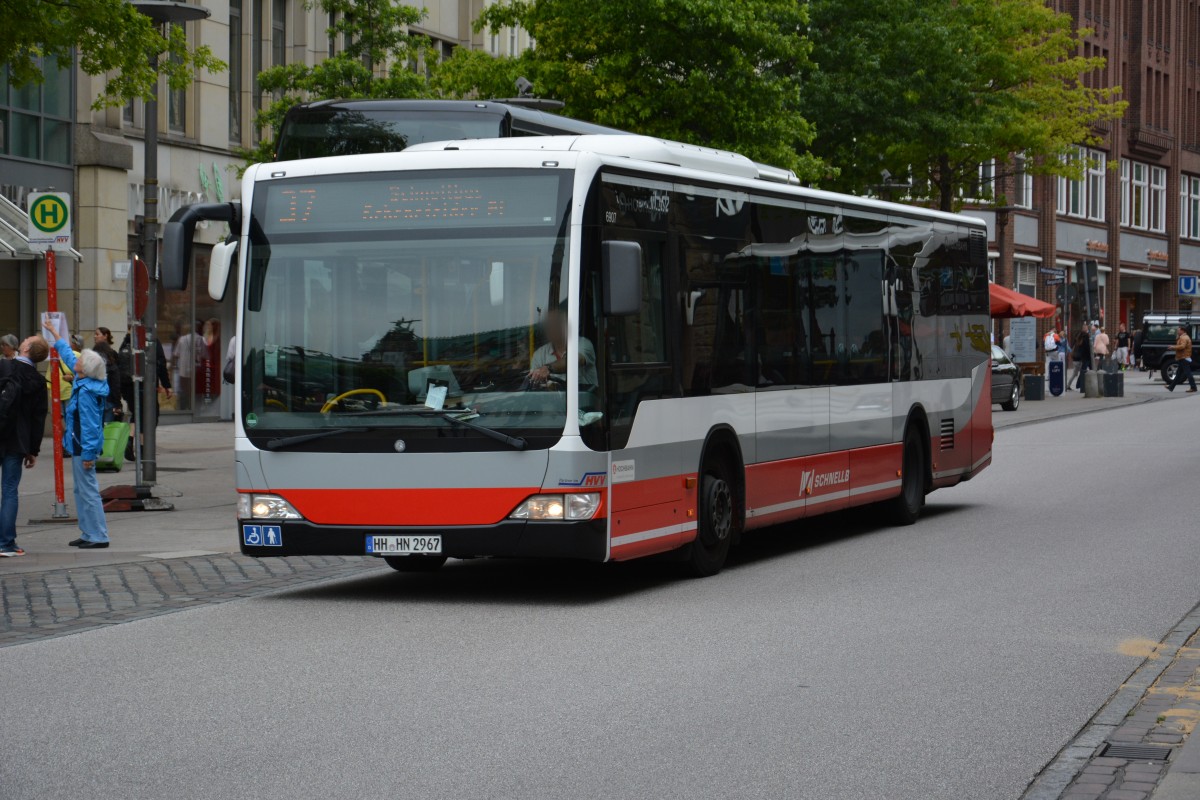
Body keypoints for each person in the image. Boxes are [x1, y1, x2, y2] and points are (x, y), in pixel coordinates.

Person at [43, 326, 110, 548]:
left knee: (88, 491)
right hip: (80, 445)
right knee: (81, 490)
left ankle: (98, 535)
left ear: (85, 369)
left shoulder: (87, 392)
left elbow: (90, 427)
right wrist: (56, 334)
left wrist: (89, 454)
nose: (77, 361)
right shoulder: (86, 380)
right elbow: (70, 356)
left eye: (82, 361)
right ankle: (89, 532)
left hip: (84, 447)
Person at [0, 337, 50, 557]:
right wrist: (33, 450)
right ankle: (6, 544)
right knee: (10, 490)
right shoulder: (38, 381)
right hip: (17, 440)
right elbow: (38, 418)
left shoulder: (5, 366)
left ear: (26, 348)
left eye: (28, 340)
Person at [529, 308, 598, 387]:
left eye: (556, 324)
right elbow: (534, 383)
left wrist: (548, 368)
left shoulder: (584, 344)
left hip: (581, 398)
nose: (552, 328)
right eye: (549, 325)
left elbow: (574, 360)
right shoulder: (539, 354)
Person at [174, 320, 205, 411]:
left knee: (184, 390)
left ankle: (183, 408)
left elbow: (176, 354)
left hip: (183, 370)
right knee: (194, 390)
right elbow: (203, 355)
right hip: (196, 370)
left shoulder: (182, 339)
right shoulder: (200, 339)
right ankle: (194, 408)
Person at [93, 341, 123, 423]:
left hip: (94, 400)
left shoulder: (91, 368)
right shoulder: (113, 367)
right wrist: (118, 404)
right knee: (107, 428)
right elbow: (116, 387)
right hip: (109, 400)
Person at [1165, 324, 1197, 393]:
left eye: (1178, 330)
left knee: (1188, 374)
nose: (1177, 331)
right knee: (1178, 374)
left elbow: (1182, 346)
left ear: (1182, 330)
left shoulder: (1184, 338)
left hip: (1184, 357)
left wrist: (1173, 347)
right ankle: (1171, 387)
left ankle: (1193, 387)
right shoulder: (1183, 337)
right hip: (1183, 357)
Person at [1070, 323, 1092, 391]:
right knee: (1084, 370)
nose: (1087, 329)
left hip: (1082, 356)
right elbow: (1087, 346)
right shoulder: (1085, 336)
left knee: (1085, 370)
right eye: (1086, 328)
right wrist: (1091, 352)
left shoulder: (1079, 335)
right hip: (1086, 356)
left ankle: (1079, 384)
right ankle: (1080, 384)